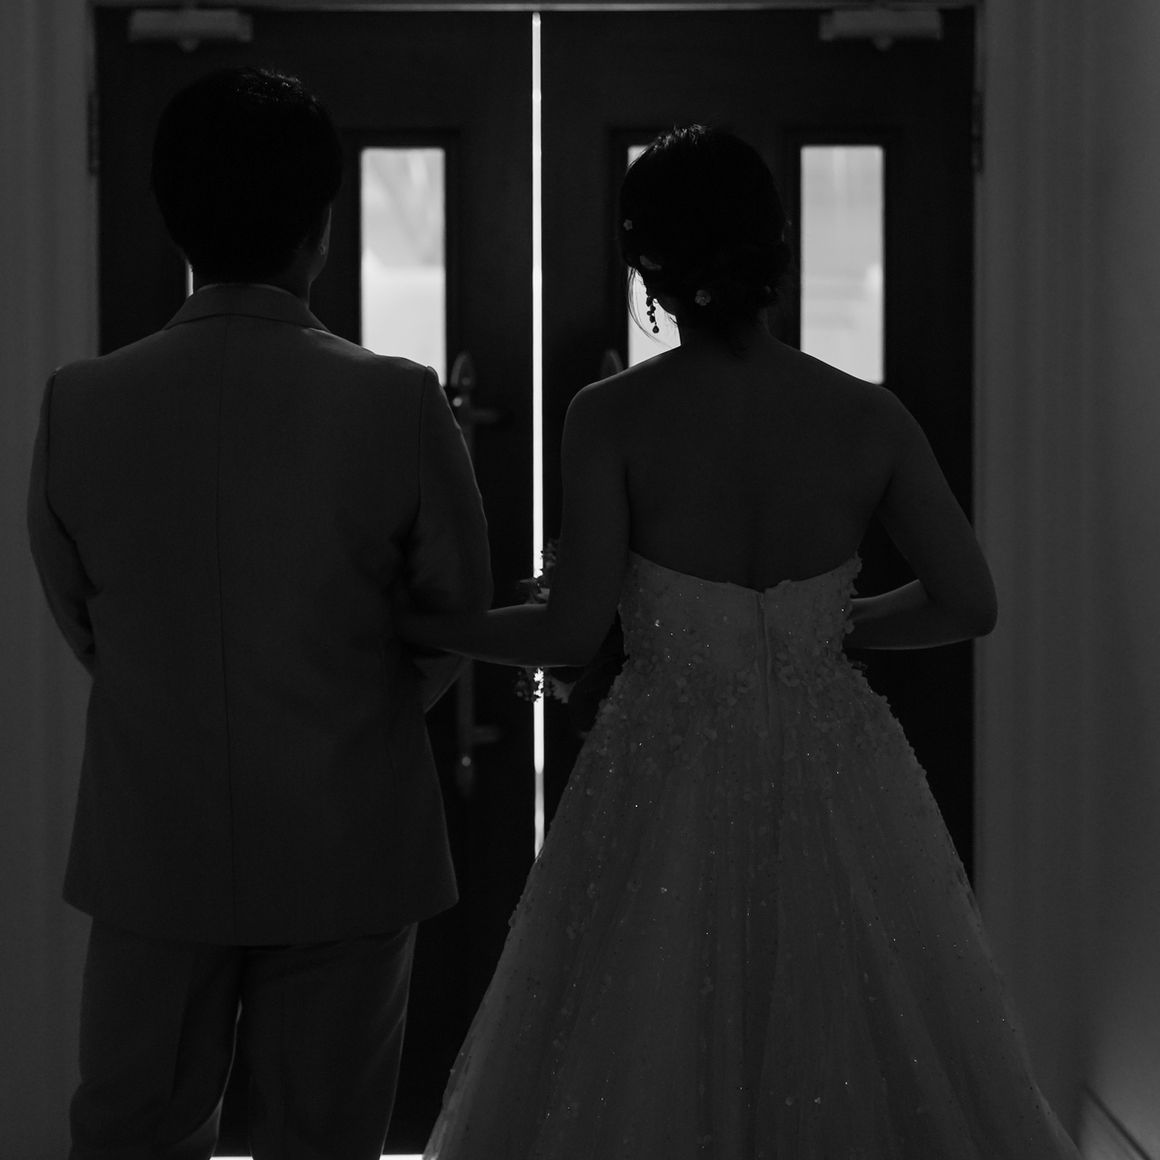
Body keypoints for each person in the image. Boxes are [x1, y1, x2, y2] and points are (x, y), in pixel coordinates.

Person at [399, 126, 1081, 1158]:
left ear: (649, 263)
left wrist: (422, 624)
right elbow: (966, 602)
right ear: (774, 245)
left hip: (662, 770)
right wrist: (819, 628)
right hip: (839, 771)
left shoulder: (612, 417)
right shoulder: (867, 417)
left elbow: (570, 628)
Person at [27, 67, 491, 1160]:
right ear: (321, 226)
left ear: (172, 218)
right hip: (348, 834)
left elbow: (83, 616)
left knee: (130, 1133)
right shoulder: (396, 399)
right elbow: (455, 617)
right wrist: (355, 705)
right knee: (324, 1139)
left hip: (153, 836)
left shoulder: (82, 401)